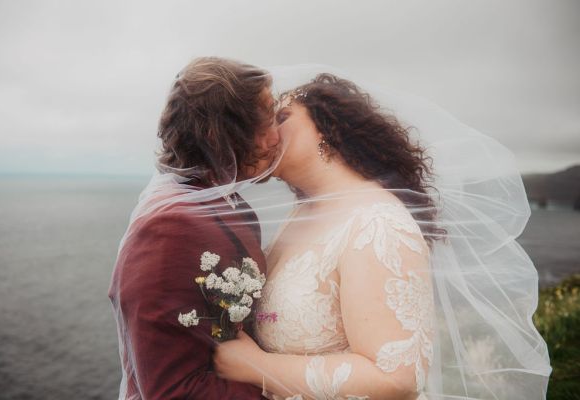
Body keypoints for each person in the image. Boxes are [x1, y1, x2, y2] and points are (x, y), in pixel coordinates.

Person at [213, 72, 552, 400]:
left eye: (282, 116)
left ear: (326, 129)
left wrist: (258, 367)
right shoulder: (300, 215)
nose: (267, 131)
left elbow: (397, 379)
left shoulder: (377, 223)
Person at [108, 57, 279, 399]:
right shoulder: (167, 227)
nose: (277, 137)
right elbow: (172, 390)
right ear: (226, 132)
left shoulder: (234, 205)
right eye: (268, 117)